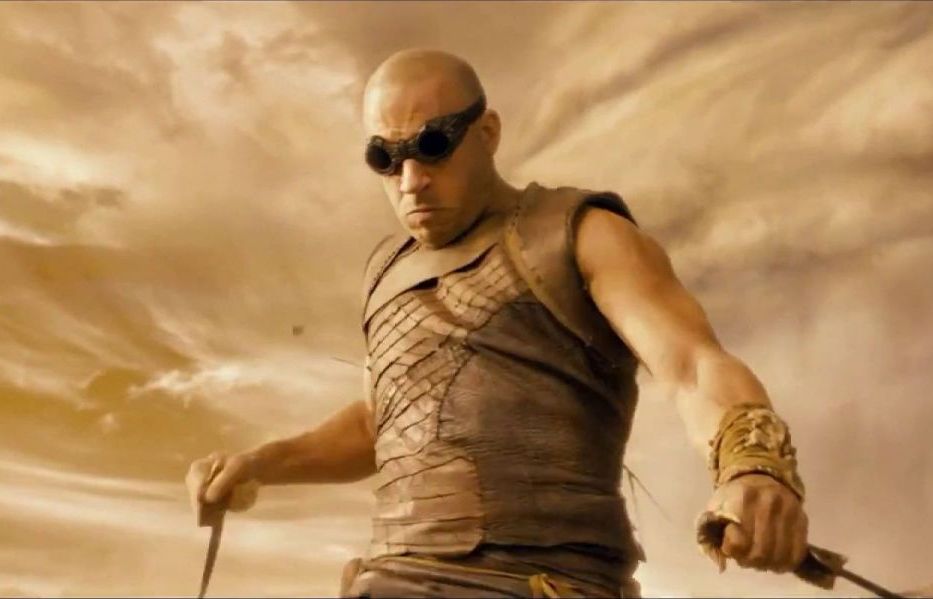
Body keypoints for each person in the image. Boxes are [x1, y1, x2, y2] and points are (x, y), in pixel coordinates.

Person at [186, 49, 809, 598]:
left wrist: (752, 464)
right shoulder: (386, 271)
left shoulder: (580, 233)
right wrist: (260, 464)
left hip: (540, 584)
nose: (411, 181)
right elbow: (381, 422)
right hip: (390, 583)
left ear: (487, 132)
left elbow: (692, 365)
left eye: (433, 146)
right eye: (385, 158)